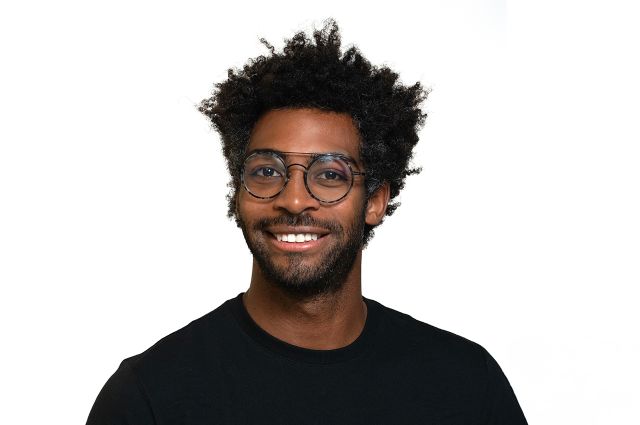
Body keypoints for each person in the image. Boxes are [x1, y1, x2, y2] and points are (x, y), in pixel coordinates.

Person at [86, 20, 527, 424]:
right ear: (238, 194)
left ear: (374, 200)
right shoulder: (149, 397)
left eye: (330, 174)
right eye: (266, 171)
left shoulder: (467, 386)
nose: (294, 198)